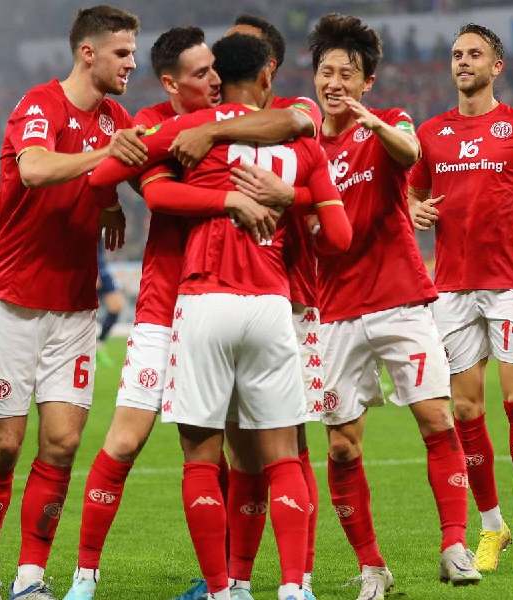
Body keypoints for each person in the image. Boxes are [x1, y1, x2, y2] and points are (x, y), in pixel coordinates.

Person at [63, 26, 319, 600]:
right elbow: (151, 193)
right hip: (167, 303)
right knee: (127, 440)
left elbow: (301, 120)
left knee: (245, 453)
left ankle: (233, 581)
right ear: (172, 83)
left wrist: (213, 130)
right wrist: (223, 196)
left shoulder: (259, 114)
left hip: (228, 299)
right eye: (201, 73)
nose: (214, 79)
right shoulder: (154, 124)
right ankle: (84, 576)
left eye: (216, 69)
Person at [144, 34, 352, 600]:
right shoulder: (300, 140)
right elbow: (339, 237)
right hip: (272, 304)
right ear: (266, 76)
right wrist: (293, 199)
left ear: (218, 76)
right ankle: (293, 587)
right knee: (284, 455)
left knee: (202, 458)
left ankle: (221, 590)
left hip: (205, 300)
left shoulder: (191, 132)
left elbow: (119, 178)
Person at [0, 6, 148, 600]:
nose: (132, 63)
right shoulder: (39, 104)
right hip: (12, 300)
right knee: (5, 445)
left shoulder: (116, 117)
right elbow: (35, 169)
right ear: (88, 53)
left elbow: (133, 173)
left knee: (62, 443)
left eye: (134, 52)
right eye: (122, 52)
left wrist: (114, 197)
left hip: (74, 307)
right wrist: (107, 156)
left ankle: (31, 578)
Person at [309, 14, 480, 600]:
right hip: (333, 310)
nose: (335, 82)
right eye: (326, 71)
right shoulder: (303, 145)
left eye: (347, 73)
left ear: (367, 82)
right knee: (340, 445)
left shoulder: (390, 122)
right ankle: (372, 567)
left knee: (437, 419)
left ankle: (454, 546)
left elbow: (410, 151)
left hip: (400, 301)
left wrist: (374, 123)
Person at [409, 23, 513, 574]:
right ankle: (491, 525)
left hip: (510, 284)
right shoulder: (431, 133)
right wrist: (412, 209)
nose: (463, 61)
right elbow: (408, 194)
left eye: (474, 54)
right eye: (457, 54)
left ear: (496, 66)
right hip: (452, 288)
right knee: (464, 409)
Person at [95, 242, 126, 367]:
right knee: (84, 312)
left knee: (117, 306)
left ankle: (99, 344)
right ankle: (84, 350)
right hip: (92, 266)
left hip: (101, 266)